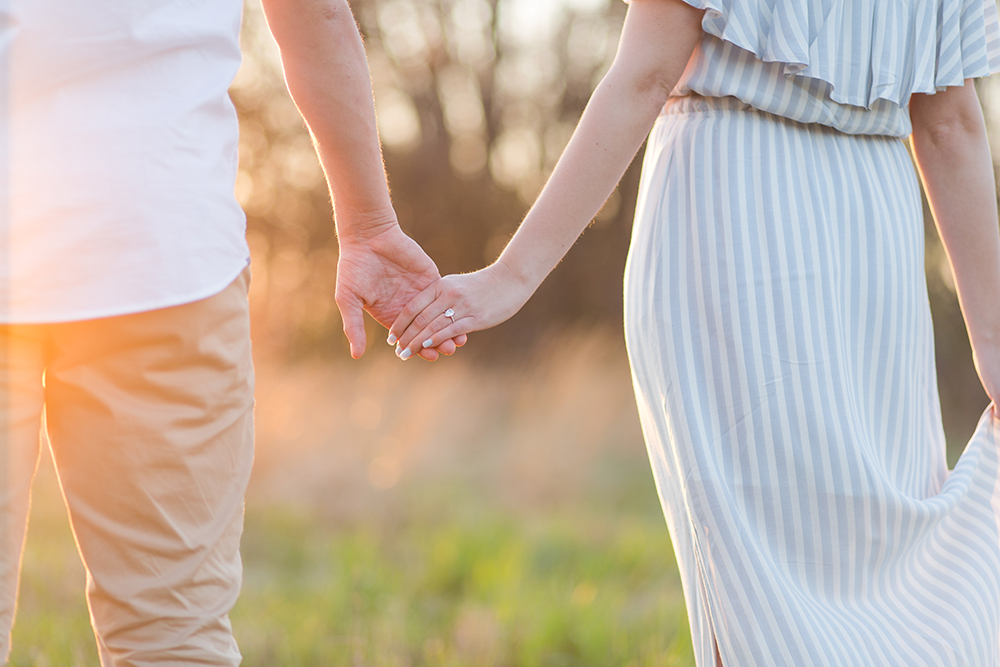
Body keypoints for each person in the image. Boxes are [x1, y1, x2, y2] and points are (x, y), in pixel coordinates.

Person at [389, 0, 1000, 664]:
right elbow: (952, 123)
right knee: (846, 559)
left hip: (772, 210)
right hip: (832, 214)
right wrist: (993, 343)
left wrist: (510, 277)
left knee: (827, 557)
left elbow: (644, 75)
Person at [0, 0, 460, 663]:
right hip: (166, 246)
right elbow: (315, 15)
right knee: (173, 631)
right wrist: (366, 221)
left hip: (154, 250)